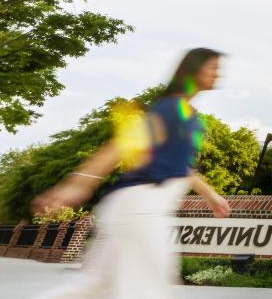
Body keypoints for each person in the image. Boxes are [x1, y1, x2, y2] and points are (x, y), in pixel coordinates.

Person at [32, 48, 232, 299]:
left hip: (132, 208)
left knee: (92, 288)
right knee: (148, 290)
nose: (218, 73)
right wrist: (78, 183)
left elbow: (180, 166)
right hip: (142, 208)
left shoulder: (187, 114)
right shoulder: (172, 108)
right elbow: (123, 144)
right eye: (213, 67)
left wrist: (210, 195)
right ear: (193, 69)